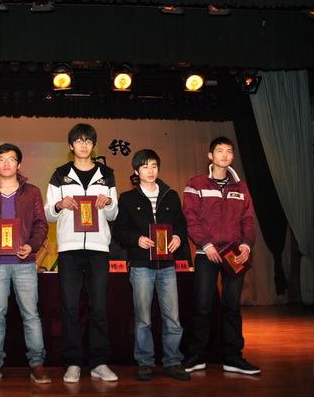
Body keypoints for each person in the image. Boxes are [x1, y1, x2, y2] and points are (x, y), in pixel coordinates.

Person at [44, 123, 119, 383]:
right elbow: (48, 214)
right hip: (69, 249)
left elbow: (114, 214)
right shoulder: (60, 174)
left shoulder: (106, 174)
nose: (84, 145)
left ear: (93, 145)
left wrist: (108, 203)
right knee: (69, 308)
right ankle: (73, 362)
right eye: (79, 140)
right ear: (71, 146)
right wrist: (58, 204)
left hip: (98, 249)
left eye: (88, 141)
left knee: (99, 307)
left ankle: (99, 362)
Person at [0, 143, 51, 384]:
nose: (6, 163)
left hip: (24, 263)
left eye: (11, 159)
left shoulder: (32, 192)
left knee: (31, 315)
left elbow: (41, 224)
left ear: (19, 164)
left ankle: (37, 363)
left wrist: (32, 245)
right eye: (1, 159)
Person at [182, 136, 259, 375]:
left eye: (229, 151)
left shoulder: (241, 187)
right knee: (202, 306)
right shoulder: (196, 184)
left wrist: (246, 245)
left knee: (232, 306)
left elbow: (248, 220)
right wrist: (206, 245)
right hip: (207, 253)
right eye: (219, 151)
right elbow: (190, 219)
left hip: (234, 254)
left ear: (232, 156)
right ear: (210, 155)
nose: (225, 155)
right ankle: (197, 355)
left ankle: (233, 357)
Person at [111, 149, 190, 381]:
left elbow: (182, 224)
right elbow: (119, 230)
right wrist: (136, 239)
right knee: (143, 319)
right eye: (145, 166)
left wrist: (178, 237)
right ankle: (145, 362)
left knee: (173, 319)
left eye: (154, 166)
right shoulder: (127, 198)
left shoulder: (171, 195)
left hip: (167, 266)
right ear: (136, 171)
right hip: (141, 265)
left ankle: (173, 361)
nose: (150, 170)